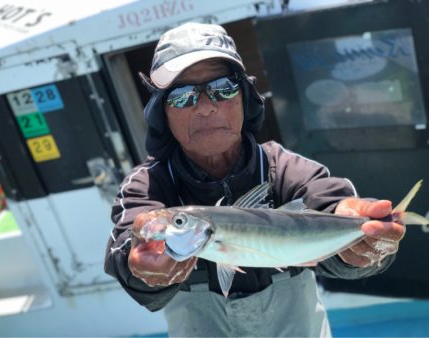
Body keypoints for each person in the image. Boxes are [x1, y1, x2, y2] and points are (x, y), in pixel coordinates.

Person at [104, 22, 405, 337]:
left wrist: (366, 243)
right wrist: (140, 267)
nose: (206, 107)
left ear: (244, 98)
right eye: (182, 96)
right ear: (161, 113)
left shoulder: (288, 169)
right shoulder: (146, 186)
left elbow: (331, 205)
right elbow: (126, 245)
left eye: (223, 88)